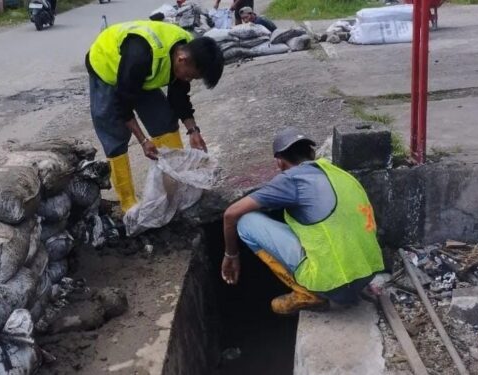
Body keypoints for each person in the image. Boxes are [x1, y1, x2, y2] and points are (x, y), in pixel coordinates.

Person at [220, 128, 385, 315]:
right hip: (365, 275)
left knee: (246, 222)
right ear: (312, 154)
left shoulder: (291, 180)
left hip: (333, 286)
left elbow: (230, 214)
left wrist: (230, 255)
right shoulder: (339, 174)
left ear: (279, 162)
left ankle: (307, 293)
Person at [86, 20, 224, 213]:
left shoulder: (185, 49)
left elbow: (179, 98)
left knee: (164, 121)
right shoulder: (141, 55)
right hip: (107, 68)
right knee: (115, 135)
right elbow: (123, 104)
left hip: (140, 74)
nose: (188, 80)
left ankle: (175, 186)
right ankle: (128, 204)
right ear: (182, 59)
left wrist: (193, 130)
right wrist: (143, 141)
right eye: (189, 76)